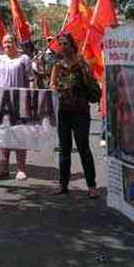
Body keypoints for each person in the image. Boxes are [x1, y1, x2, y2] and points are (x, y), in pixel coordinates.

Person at [49, 33, 98, 197]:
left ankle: (91, 186)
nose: (62, 47)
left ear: (72, 45)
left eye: (65, 44)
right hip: (63, 112)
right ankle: (63, 184)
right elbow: (52, 85)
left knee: (83, 148)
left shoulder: (83, 63)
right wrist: (54, 89)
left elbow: (91, 84)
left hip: (81, 112)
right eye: (60, 44)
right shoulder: (57, 65)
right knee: (64, 149)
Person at [0, 34, 34, 181]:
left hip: (19, 104)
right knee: (2, 136)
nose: (7, 44)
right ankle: (3, 168)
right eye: (4, 42)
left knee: (19, 135)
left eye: (10, 41)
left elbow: (31, 80)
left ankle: (21, 169)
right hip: (0, 105)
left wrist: (32, 99)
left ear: (16, 43)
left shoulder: (24, 59)